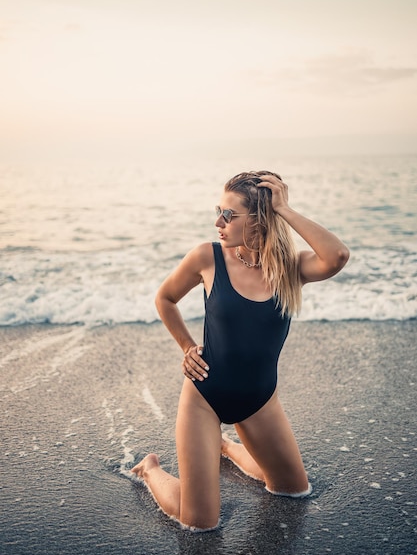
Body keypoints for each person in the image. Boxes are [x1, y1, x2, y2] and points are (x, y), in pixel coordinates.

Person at [131, 170, 350, 531]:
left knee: (293, 491)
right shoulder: (207, 257)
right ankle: (150, 468)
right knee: (200, 523)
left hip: (260, 400)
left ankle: (227, 448)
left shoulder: (290, 268)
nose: (218, 222)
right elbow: (165, 298)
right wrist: (187, 346)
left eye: (229, 215)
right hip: (205, 397)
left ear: (259, 220)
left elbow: (337, 255)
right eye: (219, 211)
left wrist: (286, 209)